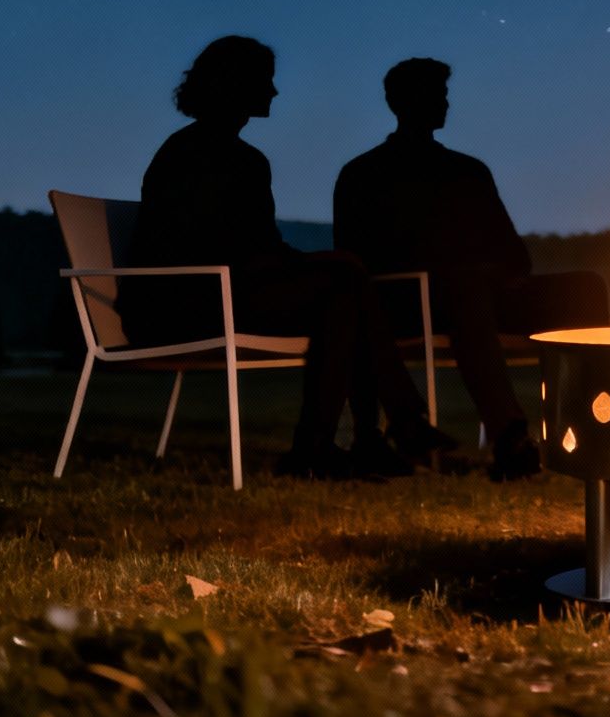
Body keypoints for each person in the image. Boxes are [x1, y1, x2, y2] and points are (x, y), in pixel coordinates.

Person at [121, 36, 445, 480]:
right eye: (265, 82)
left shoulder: (240, 158)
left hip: (224, 291)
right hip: (185, 304)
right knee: (345, 281)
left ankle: (341, 444)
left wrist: (312, 264)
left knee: (345, 290)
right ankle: (377, 431)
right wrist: (310, 266)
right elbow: (204, 247)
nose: (274, 92)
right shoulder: (193, 154)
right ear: (236, 84)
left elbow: (258, 245)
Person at [333, 57, 609, 481]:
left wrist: (494, 272)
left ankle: (601, 425)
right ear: (399, 102)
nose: (444, 103)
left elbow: (515, 254)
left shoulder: (468, 171)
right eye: (433, 94)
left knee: (586, 288)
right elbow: (355, 259)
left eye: (444, 94)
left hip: (485, 293)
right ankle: (509, 436)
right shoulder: (364, 175)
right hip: (406, 302)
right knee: (463, 284)